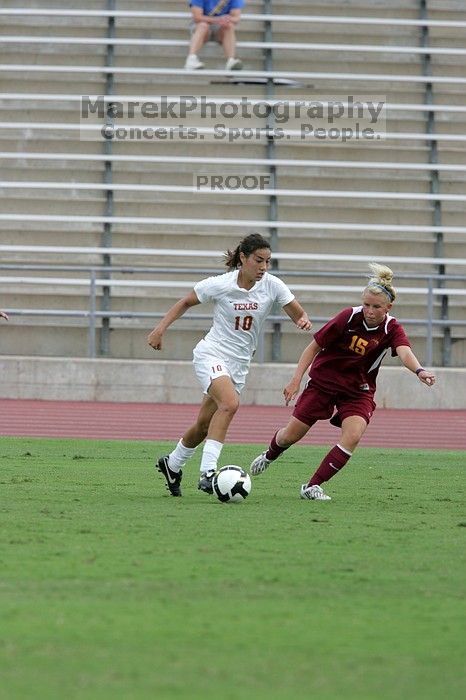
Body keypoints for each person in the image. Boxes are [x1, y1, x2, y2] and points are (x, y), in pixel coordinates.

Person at [250, 263, 436, 501]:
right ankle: (269, 455)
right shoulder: (348, 317)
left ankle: (312, 486)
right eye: (367, 304)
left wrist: (419, 371)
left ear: (388, 307)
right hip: (323, 384)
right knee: (290, 436)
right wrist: (296, 380)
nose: (369, 310)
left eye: (376, 307)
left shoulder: (392, 328)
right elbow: (314, 345)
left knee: (353, 435)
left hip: (357, 391)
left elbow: (404, 352)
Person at [148, 233, 312, 497]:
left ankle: (172, 464)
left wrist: (302, 320)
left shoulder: (272, 285)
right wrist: (159, 329)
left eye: (268, 262)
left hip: (238, 364)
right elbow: (186, 301)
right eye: (259, 260)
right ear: (243, 258)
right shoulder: (221, 284)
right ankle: (208, 473)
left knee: (204, 425)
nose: (263, 267)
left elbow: (297, 312)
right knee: (230, 404)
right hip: (211, 354)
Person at [185, 0, 244, 71]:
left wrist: (227, 19)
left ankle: (231, 61)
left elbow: (236, 18)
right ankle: (191, 59)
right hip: (202, 27)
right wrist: (217, 19)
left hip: (220, 28)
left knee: (229, 26)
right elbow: (197, 17)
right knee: (203, 25)